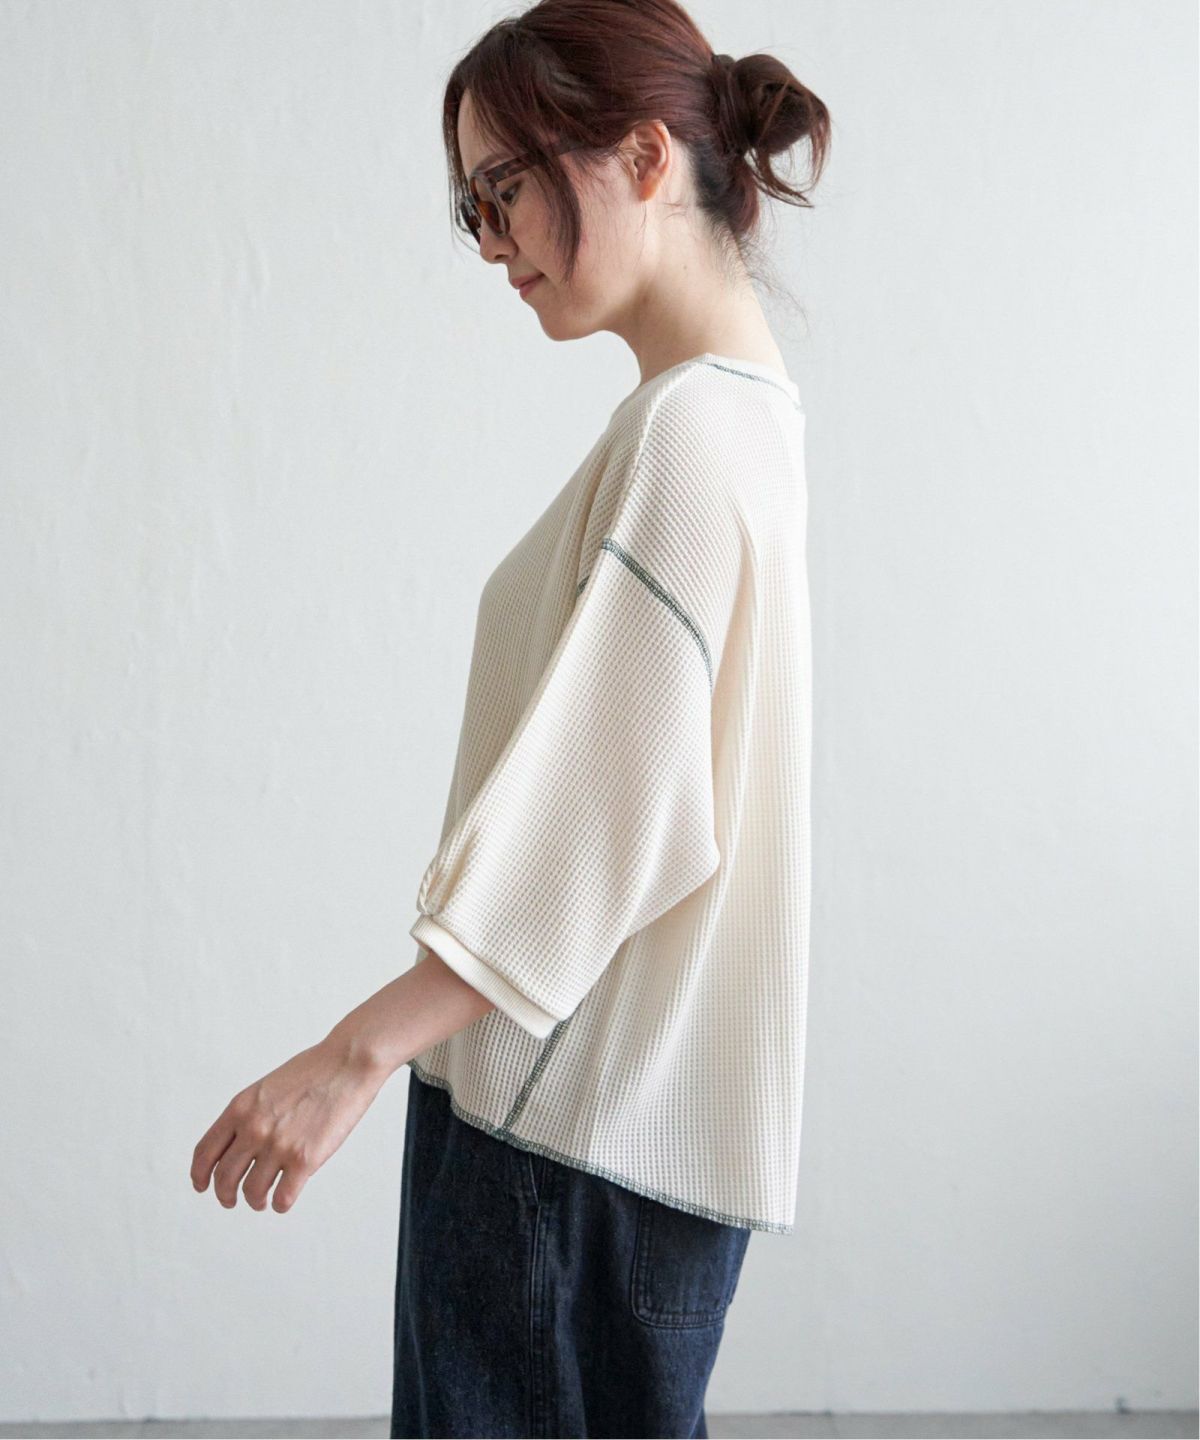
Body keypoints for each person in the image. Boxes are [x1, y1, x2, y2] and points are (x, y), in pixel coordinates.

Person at [190, 1, 829, 1435]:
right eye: (470, 206)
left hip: (558, 1142)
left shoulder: (690, 434)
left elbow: (611, 812)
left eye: (507, 188)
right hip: (643, 1160)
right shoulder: (748, 419)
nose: (488, 241)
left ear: (645, 158)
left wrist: (358, 1050)